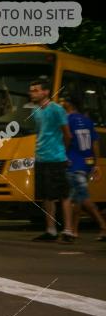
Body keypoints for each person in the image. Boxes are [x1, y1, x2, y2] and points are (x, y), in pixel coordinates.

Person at [29, 78, 73, 242]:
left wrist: (63, 152)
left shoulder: (57, 109)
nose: (32, 93)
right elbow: (41, 133)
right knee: (46, 196)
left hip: (56, 158)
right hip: (41, 158)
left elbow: (67, 134)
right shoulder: (36, 111)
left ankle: (68, 230)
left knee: (63, 194)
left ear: (46, 92)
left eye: (36, 90)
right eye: (31, 90)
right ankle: (51, 230)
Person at [62, 95, 106, 241]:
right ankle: (74, 230)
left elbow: (66, 138)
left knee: (80, 197)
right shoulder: (87, 121)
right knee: (78, 199)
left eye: (63, 102)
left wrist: (64, 155)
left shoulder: (68, 120)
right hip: (87, 162)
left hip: (74, 163)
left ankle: (103, 226)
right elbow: (95, 143)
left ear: (69, 104)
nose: (62, 104)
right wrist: (96, 163)